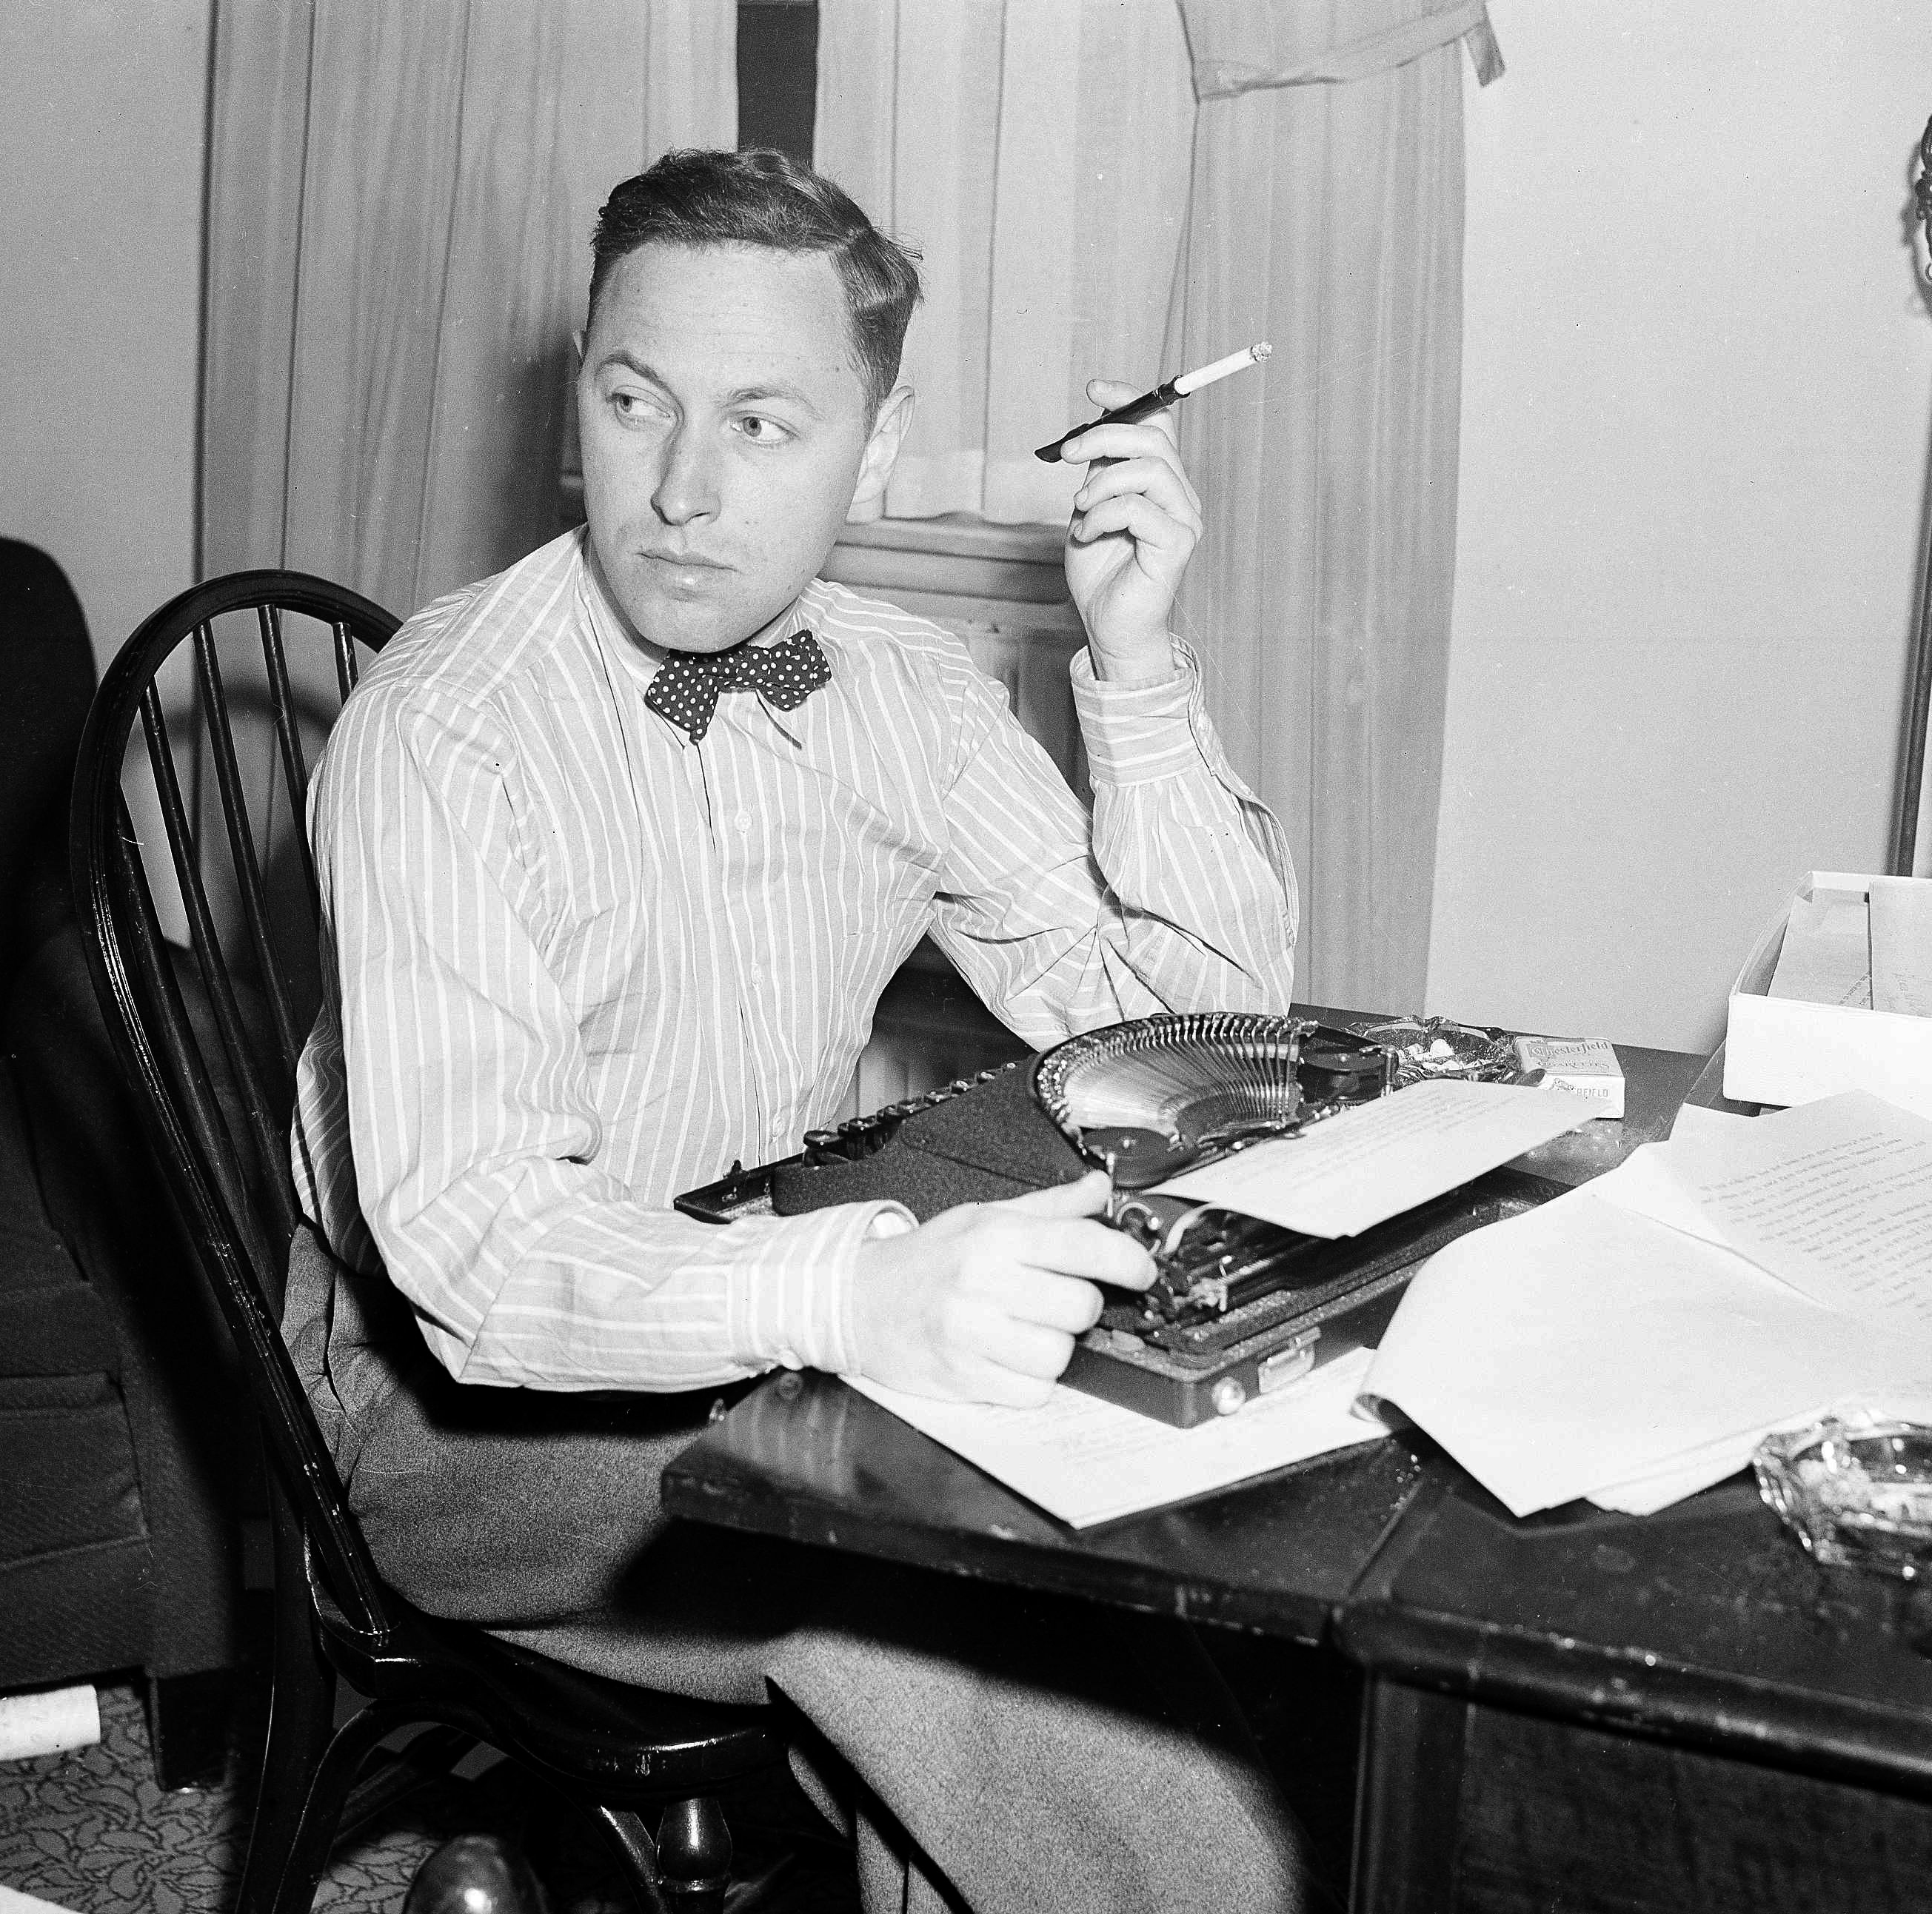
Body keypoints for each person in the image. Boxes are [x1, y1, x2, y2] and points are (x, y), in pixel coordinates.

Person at [287, 148, 1305, 1912]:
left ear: (875, 448)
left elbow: (1188, 1053)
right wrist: (851, 1298)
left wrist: (1134, 669)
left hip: (763, 1300)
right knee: (959, 1597)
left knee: (1200, 1514)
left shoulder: (902, 689)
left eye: (760, 424)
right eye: (634, 404)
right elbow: (477, 1251)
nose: (679, 490)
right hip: (452, 1406)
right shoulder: (441, 727)